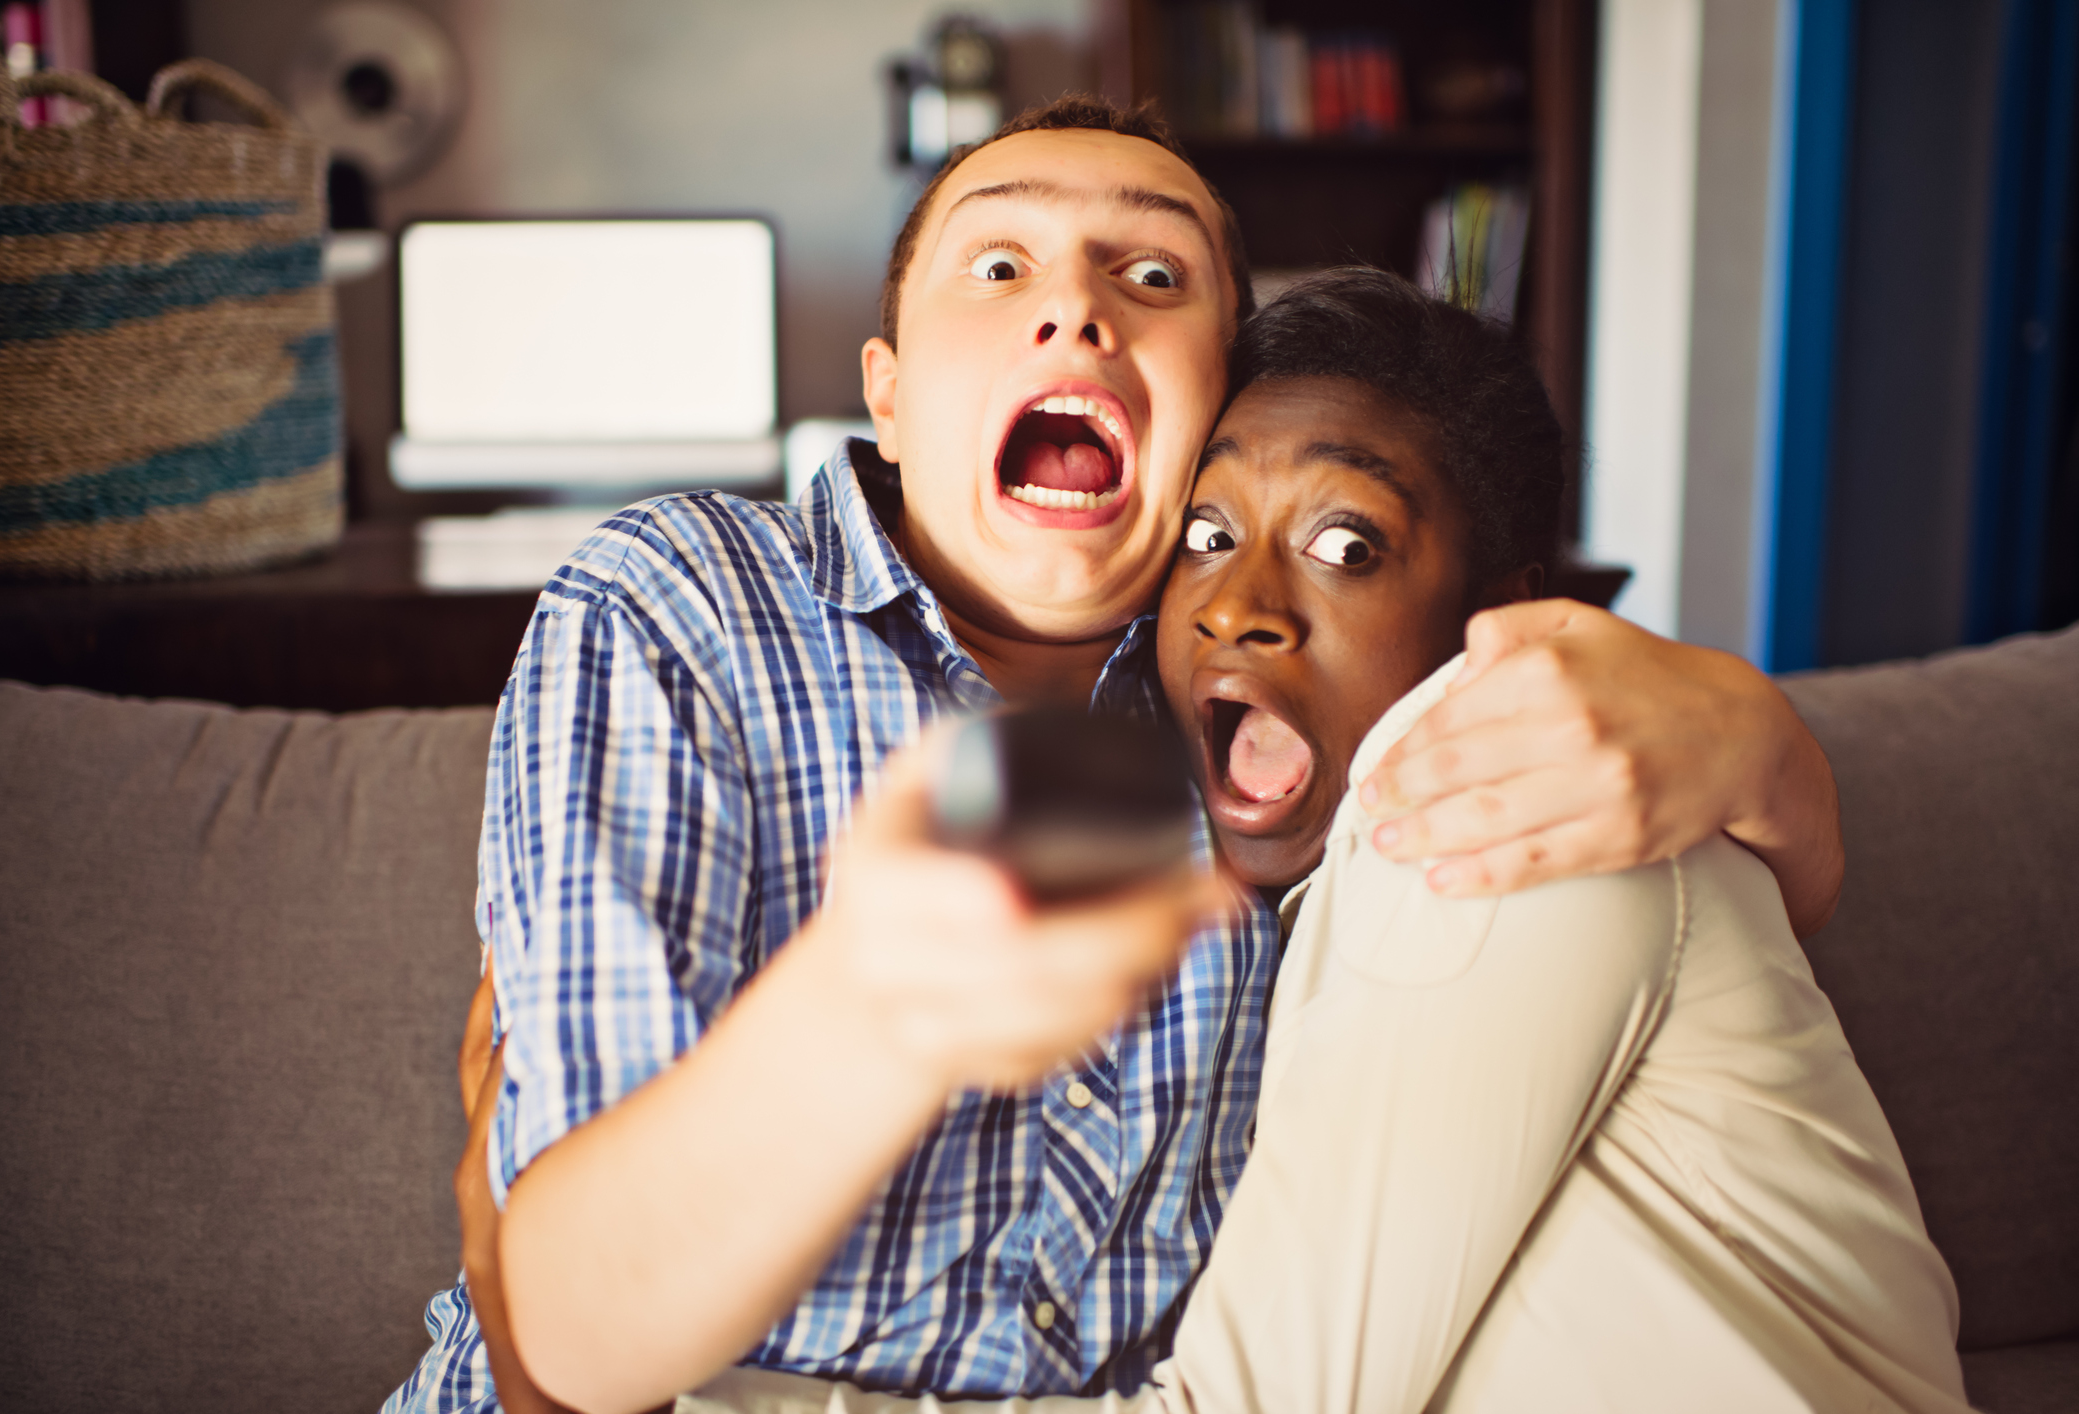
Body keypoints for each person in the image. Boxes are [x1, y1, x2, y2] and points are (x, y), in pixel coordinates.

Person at [389, 99, 1849, 1414]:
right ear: (888, 395)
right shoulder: (687, 600)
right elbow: (564, 1347)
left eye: (1150, 276)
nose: (1078, 312)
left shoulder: (1268, 723)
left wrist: (1758, 738)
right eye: (1000, 266)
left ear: (1214, 397)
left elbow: (1671, 902)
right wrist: (874, 1006)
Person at [673, 268, 1967, 1414]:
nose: (1241, 606)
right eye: (1207, 534)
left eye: (1347, 544)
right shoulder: (1249, 915)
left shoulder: (1491, 798)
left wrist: (650, 1383)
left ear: (1500, 616)